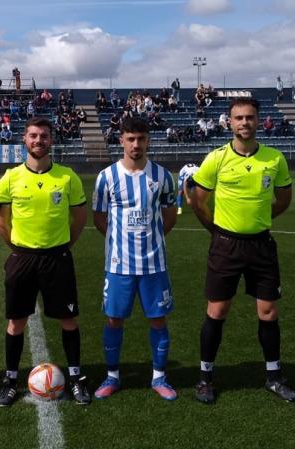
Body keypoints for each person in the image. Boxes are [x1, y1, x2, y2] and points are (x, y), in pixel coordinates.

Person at [190, 97, 295, 404]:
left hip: (262, 245)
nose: (244, 122)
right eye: (238, 118)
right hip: (226, 246)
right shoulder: (216, 158)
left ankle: (274, 377)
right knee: (217, 311)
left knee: (268, 311)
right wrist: (217, 230)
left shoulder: (274, 159)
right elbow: (198, 201)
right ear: (230, 121)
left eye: (250, 117)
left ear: (258, 120)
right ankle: (205, 378)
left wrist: (261, 219)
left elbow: (284, 198)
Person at [0, 116, 90, 407]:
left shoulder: (67, 176)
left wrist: (63, 246)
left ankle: (75, 378)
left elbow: (79, 217)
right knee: (16, 321)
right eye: (33, 136)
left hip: (57, 258)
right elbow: (0, 221)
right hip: (22, 259)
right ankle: (9, 381)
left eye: (44, 136)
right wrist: (18, 249)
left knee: (68, 319)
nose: (38, 141)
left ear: (51, 140)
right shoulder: (10, 177)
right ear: (24, 139)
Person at [92, 117, 178, 401]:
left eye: (141, 138)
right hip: (118, 265)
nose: (136, 144)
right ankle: (112, 376)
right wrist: (120, 242)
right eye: (130, 139)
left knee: (158, 320)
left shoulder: (163, 176)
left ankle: (159, 376)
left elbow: (168, 216)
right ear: (121, 140)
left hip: (154, 264)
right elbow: (100, 218)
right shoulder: (106, 177)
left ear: (148, 140)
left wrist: (150, 240)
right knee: (114, 319)